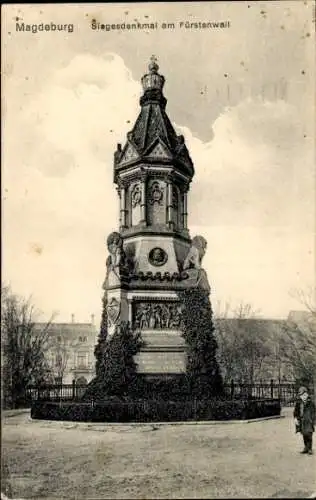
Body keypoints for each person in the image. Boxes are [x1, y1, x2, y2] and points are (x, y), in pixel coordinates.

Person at [293, 386, 316, 455]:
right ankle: (306, 447)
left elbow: (314, 412)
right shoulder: (298, 403)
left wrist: (313, 420)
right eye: (302, 395)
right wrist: (295, 418)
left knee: (309, 434)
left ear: (307, 394)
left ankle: (310, 448)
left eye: (305, 395)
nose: (304, 396)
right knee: (304, 434)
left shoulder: (311, 403)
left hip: (309, 421)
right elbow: (295, 411)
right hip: (302, 421)